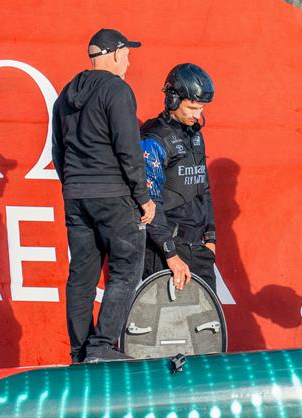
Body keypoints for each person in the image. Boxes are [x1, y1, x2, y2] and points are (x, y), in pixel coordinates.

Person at [51, 28, 155, 363]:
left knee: (81, 275)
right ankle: (100, 349)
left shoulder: (65, 94)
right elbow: (129, 149)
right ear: (112, 53)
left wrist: (74, 186)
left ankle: (80, 350)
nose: (129, 59)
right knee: (126, 268)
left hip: (76, 195)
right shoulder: (117, 90)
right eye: (127, 53)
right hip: (113, 195)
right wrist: (143, 197)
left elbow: (58, 151)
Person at [140, 64, 217, 294]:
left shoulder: (195, 135)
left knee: (204, 327)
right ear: (173, 100)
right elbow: (150, 201)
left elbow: (204, 188)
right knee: (165, 326)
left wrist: (211, 238)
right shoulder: (154, 138)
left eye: (201, 108)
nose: (198, 115)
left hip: (199, 250)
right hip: (167, 252)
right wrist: (170, 254)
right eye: (192, 108)